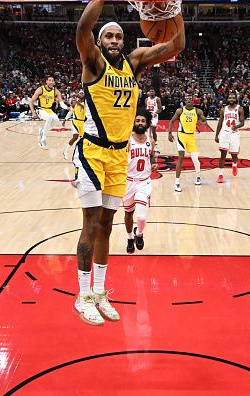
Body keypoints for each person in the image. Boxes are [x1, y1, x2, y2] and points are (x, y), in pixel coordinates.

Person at [73, 1, 184, 326]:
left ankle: (99, 292)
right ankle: (82, 296)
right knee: (91, 225)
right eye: (108, 36)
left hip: (119, 155)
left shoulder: (133, 63)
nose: (114, 41)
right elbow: (82, 30)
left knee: (107, 226)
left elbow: (177, 43)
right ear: (100, 41)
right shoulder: (93, 63)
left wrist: (175, 9)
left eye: (119, 37)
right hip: (93, 153)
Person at [124, 109, 157, 254]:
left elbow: (151, 157)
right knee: (128, 213)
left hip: (144, 182)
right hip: (128, 181)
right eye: (137, 120)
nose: (140, 123)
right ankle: (130, 237)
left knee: (141, 216)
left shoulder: (151, 141)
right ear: (133, 123)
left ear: (147, 123)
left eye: (143, 121)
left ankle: (139, 233)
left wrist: (154, 162)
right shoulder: (127, 140)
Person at [168, 94, 207, 192]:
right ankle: (177, 182)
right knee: (181, 157)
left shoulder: (198, 111)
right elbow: (172, 121)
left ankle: (198, 176)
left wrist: (201, 123)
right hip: (181, 135)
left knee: (195, 159)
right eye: (187, 99)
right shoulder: (180, 111)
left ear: (194, 101)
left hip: (191, 137)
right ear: (184, 101)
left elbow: (204, 121)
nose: (189, 100)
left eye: (190, 99)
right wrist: (169, 133)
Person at [29, 76, 68, 149]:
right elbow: (31, 101)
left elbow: (61, 103)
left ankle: (43, 131)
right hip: (40, 109)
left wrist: (67, 108)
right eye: (49, 80)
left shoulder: (56, 91)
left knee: (57, 120)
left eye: (52, 81)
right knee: (49, 118)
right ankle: (42, 139)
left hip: (49, 110)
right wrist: (33, 112)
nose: (51, 82)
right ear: (46, 81)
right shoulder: (40, 89)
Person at [215, 93, 245, 183]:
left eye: (233, 97)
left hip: (234, 134)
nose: (231, 99)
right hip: (225, 133)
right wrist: (216, 135)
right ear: (227, 99)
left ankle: (235, 164)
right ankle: (220, 175)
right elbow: (220, 123)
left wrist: (236, 126)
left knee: (234, 155)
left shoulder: (240, 108)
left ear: (235, 99)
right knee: (223, 154)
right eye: (230, 97)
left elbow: (243, 122)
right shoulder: (223, 109)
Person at [63, 92, 85, 160]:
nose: (81, 94)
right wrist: (65, 120)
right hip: (75, 121)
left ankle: (80, 154)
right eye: (80, 93)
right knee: (75, 137)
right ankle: (66, 151)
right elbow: (70, 112)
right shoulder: (74, 104)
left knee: (84, 139)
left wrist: (76, 103)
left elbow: (82, 107)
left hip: (83, 122)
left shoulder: (86, 103)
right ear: (78, 95)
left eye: (82, 93)